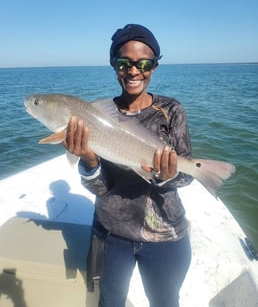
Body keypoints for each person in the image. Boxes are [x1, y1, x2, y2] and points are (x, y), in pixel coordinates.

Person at [64, 24, 193, 307]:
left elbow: (186, 178)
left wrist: (165, 177)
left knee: (165, 301)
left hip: (164, 234)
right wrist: (88, 158)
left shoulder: (171, 111)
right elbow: (101, 188)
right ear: (114, 65)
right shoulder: (97, 115)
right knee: (109, 301)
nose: (134, 71)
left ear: (154, 66)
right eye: (124, 63)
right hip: (111, 233)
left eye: (143, 63)